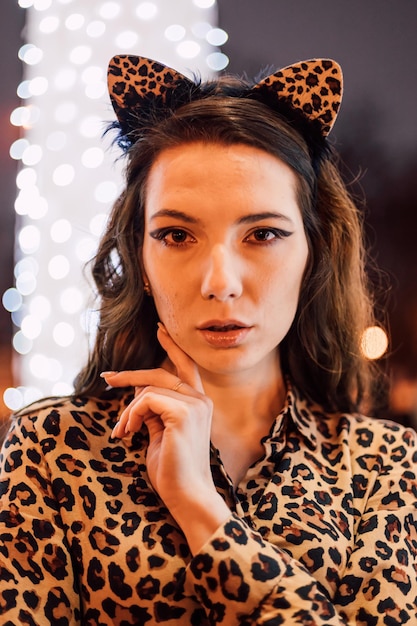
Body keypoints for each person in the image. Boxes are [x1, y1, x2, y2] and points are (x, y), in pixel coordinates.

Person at [0, 54, 416, 626]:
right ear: (139, 257)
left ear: (313, 253)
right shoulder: (54, 451)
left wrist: (200, 508)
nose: (220, 282)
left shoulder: (384, 465)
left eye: (263, 234)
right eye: (176, 234)